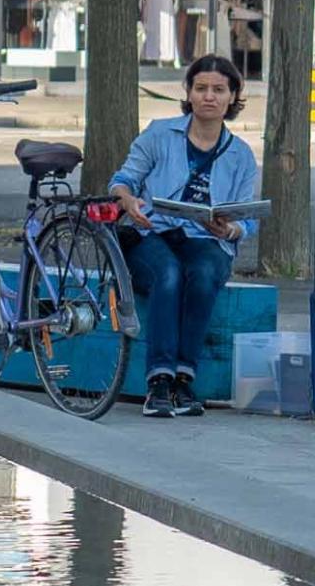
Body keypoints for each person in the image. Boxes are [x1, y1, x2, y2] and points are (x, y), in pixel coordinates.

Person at [107, 53, 260, 418]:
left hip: (206, 239)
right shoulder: (160, 133)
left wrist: (232, 227)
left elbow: (248, 216)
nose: (209, 96)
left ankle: (183, 378)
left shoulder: (240, 154)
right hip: (152, 233)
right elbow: (122, 181)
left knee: (204, 273)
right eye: (201, 88)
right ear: (188, 93)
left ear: (232, 96)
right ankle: (159, 380)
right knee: (169, 274)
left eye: (219, 90)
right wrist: (129, 202)